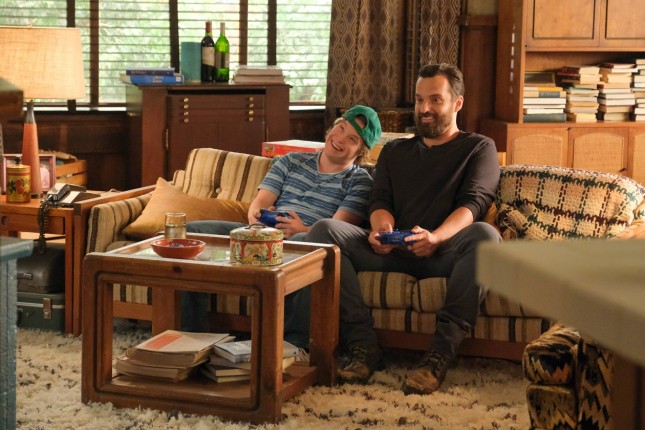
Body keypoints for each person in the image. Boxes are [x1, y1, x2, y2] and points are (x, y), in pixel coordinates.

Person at [307, 63, 501, 392]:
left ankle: (438, 356)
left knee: (486, 237)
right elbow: (380, 199)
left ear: (457, 103)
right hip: (393, 251)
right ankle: (363, 345)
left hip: (445, 252)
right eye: (419, 99)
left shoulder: (479, 148)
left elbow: (473, 204)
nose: (424, 108)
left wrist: (435, 238)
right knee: (324, 231)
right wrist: (380, 229)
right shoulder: (396, 150)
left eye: (435, 100)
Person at [180, 105, 382, 350]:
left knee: (313, 248)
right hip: (262, 233)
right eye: (340, 128)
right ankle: (191, 335)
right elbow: (260, 204)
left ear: (361, 151)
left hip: (307, 241)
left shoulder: (359, 181)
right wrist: (258, 221)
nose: (339, 139)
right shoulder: (291, 160)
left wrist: (301, 229)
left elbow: (336, 230)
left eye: (352, 139)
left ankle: (294, 344)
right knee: (192, 233)